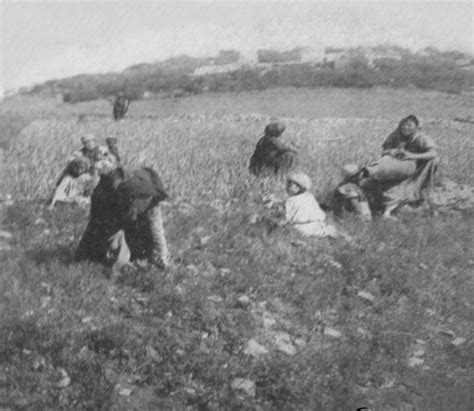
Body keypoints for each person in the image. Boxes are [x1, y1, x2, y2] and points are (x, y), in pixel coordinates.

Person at [76, 166, 170, 274]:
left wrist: (163, 257)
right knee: (97, 245)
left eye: (148, 200)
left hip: (128, 204)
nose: (147, 201)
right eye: (143, 201)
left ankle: (137, 255)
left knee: (144, 248)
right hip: (108, 203)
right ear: (132, 200)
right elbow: (100, 225)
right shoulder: (110, 196)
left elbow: (157, 231)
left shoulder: (152, 202)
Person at [361, 115, 439, 219]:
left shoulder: (421, 138)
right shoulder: (395, 135)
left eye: (410, 125)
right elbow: (385, 151)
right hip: (395, 163)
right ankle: (364, 172)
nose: (406, 127)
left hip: (414, 166)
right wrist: (391, 152)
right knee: (380, 169)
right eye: (404, 124)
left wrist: (412, 156)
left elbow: (433, 154)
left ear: (417, 127)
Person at [283, 172, 353, 242]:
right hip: (317, 223)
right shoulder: (309, 196)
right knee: (330, 230)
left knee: (288, 229)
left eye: (289, 185)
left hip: (302, 227)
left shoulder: (291, 200)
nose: (287, 187)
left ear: (298, 188)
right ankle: (343, 238)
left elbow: (288, 217)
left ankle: (337, 238)